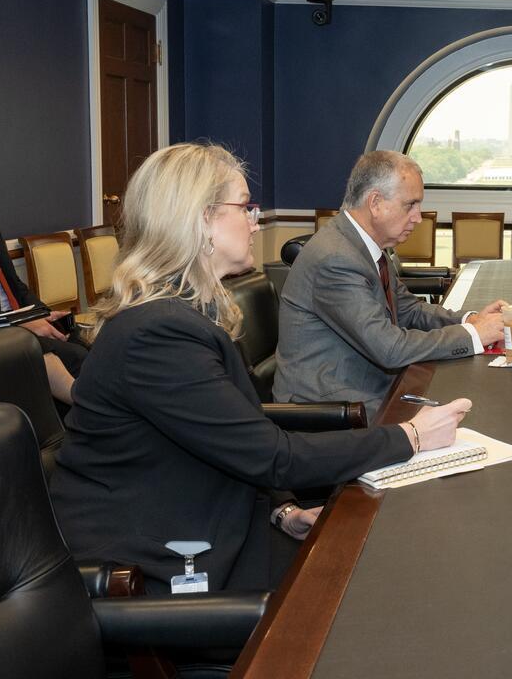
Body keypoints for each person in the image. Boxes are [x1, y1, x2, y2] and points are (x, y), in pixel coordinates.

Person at [50, 143, 470, 593]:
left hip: (225, 525)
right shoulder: (158, 335)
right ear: (202, 220)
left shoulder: (184, 315)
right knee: (390, 580)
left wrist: (283, 511)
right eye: (244, 207)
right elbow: (272, 456)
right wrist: (411, 437)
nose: (256, 222)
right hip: (159, 566)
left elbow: (235, 440)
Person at [274, 151, 505, 412]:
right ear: (375, 203)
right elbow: (390, 348)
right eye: (410, 205)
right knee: (469, 413)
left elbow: (409, 310)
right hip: (331, 407)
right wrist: (474, 335)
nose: (418, 217)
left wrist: (470, 321)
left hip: (365, 386)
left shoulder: (366, 246)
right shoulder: (336, 258)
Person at [0, 207, 86, 405]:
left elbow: (15, 283)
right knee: (76, 356)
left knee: (77, 336)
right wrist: (18, 323)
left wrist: (43, 313)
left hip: (17, 317)